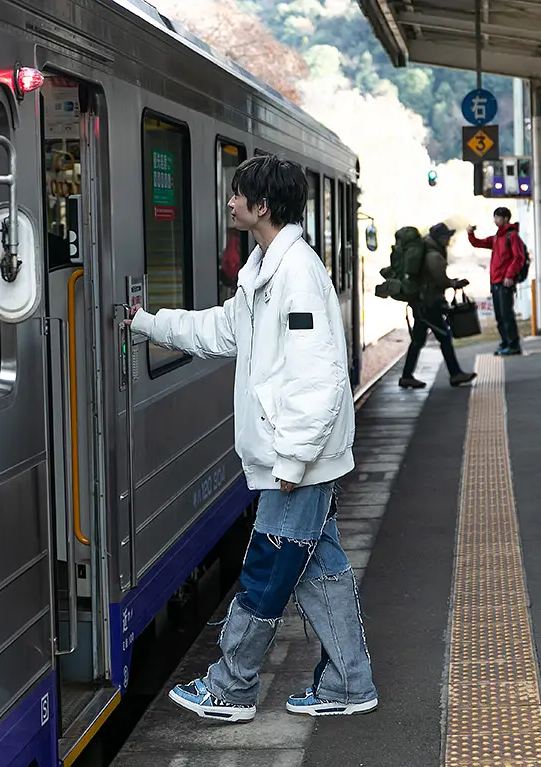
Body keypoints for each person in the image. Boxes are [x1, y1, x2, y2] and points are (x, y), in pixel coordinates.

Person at [126, 154, 377, 722]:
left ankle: (232, 685)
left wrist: (290, 459)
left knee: (266, 567)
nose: (230, 203)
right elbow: (220, 330)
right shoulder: (266, 269)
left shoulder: (297, 274)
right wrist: (146, 322)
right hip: (295, 458)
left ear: (261, 206)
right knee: (321, 570)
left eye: (237, 195)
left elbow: (321, 377)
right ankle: (349, 683)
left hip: (296, 462)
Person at [399, 223, 477, 389]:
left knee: (418, 340)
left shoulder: (428, 251)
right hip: (429, 304)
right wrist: (454, 283)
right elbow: (440, 280)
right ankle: (455, 374)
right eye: (447, 236)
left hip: (422, 303)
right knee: (444, 337)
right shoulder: (433, 255)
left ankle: (406, 376)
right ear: (441, 238)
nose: (449, 240)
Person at [467, 207, 526, 356]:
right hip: (495, 281)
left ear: (506, 218)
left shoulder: (511, 236)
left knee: (506, 314)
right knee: (500, 315)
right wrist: (470, 233)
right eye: (495, 217)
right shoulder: (496, 238)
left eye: (498, 217)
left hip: (504, 282)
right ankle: (505, 342)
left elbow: (519, 257)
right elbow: (477, 243)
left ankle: (513, 345)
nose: (496, 220)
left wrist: (509, 275)